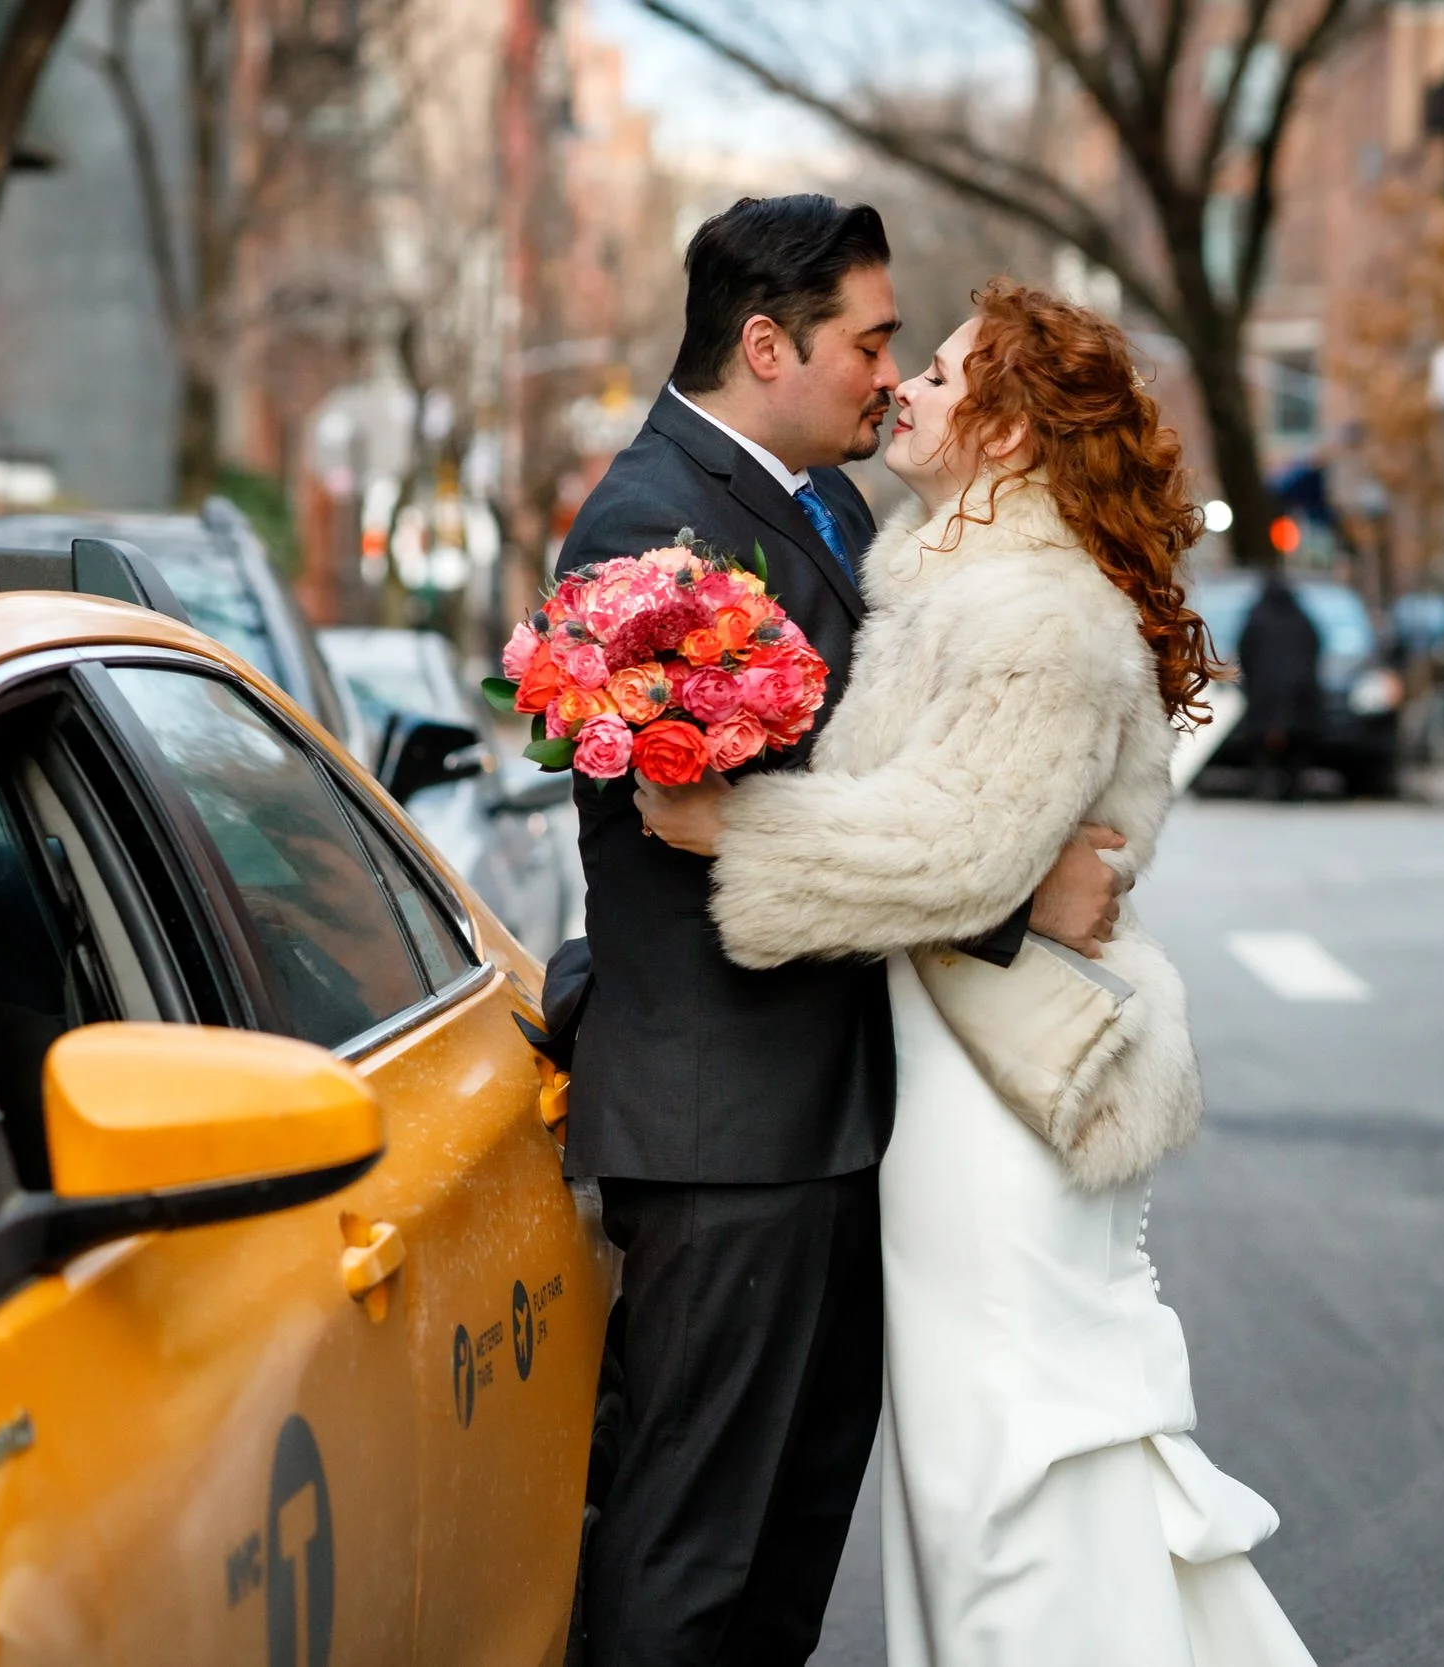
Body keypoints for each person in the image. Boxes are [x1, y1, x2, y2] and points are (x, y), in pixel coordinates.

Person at [639, 281, 1315, 1666]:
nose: (905, 390)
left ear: (1006, 435)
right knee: (1000, 1454)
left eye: (939, 375)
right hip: (962, 1064)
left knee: (1011, 1458)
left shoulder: (1028, 605)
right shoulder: (965, 576)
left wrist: (734, 828)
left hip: (999, 1090)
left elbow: (955, 847)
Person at [552, 196, 1129, 1666]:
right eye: (873, 342)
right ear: (766, 343)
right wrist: (1018, 894)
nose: (888, 374)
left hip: (831, 1116)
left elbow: (881, 778)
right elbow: (740, 833)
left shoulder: (829, 505)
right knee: (690, 1546)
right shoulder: (649, 528)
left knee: (789, 1543)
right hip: (725, 1125)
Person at [1237, 571, 1323, 800]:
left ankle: (1264, 783)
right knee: (1297, 746)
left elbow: (1244, 652)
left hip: (1264, 694)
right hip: (1299, 694)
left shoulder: (1256, 619)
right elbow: (1316, 648)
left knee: (1263, 746)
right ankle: (1294, 785)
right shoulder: (1302, 619)